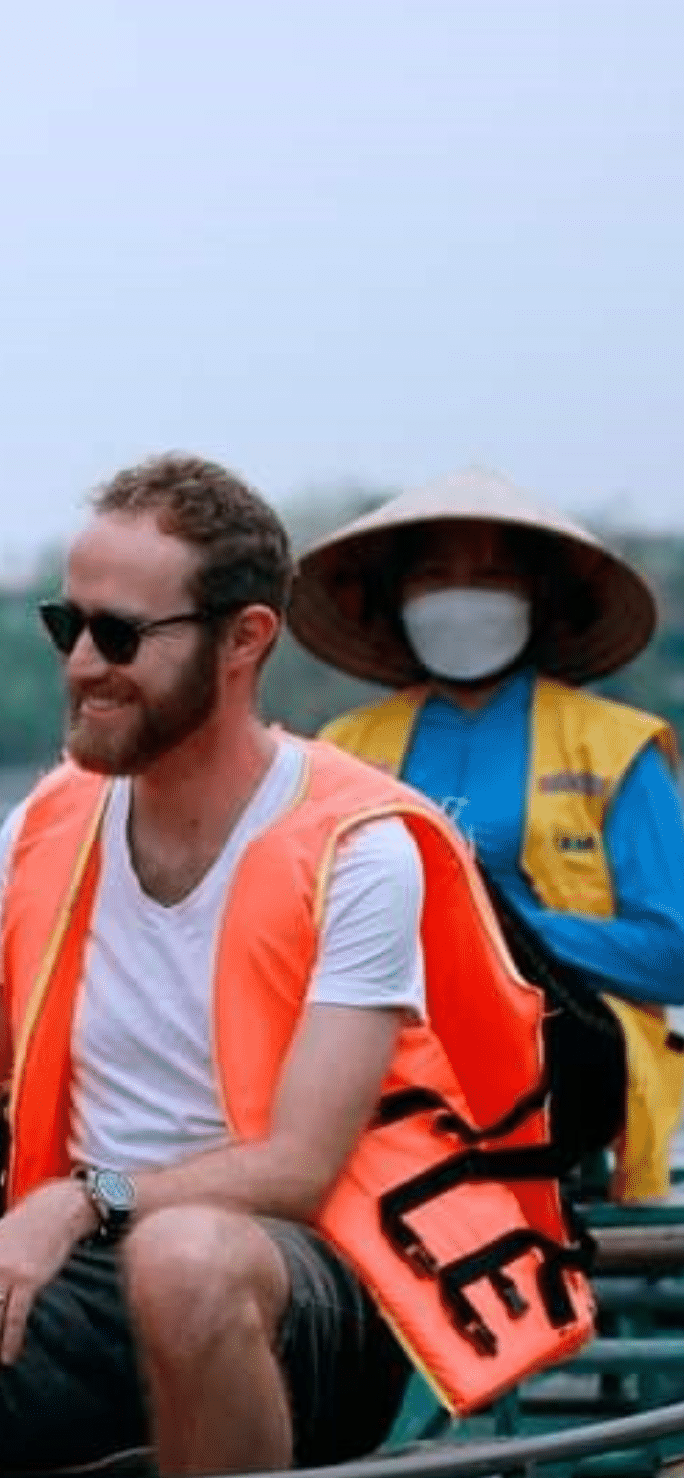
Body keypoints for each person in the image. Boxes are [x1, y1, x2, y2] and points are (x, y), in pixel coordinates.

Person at [0, 452, 593, 1478]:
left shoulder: (358, 848)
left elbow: (297, 1164)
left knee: (182, 1256)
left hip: (314, 1283)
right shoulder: (44, 823)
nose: (81, 663)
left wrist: (76, 1201)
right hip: (89, 1276)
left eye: (119, 634)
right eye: (66, 625)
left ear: (243, 640)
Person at [293, 465, 684, 1202]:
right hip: (391, 1053)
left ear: (538, 597)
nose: (461, 592)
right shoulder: (342, 749)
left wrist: (495, 931)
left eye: (493, 574)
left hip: (578, 1063)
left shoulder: (615, 747)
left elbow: (676, 953)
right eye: (435, 574)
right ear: (397, 598)